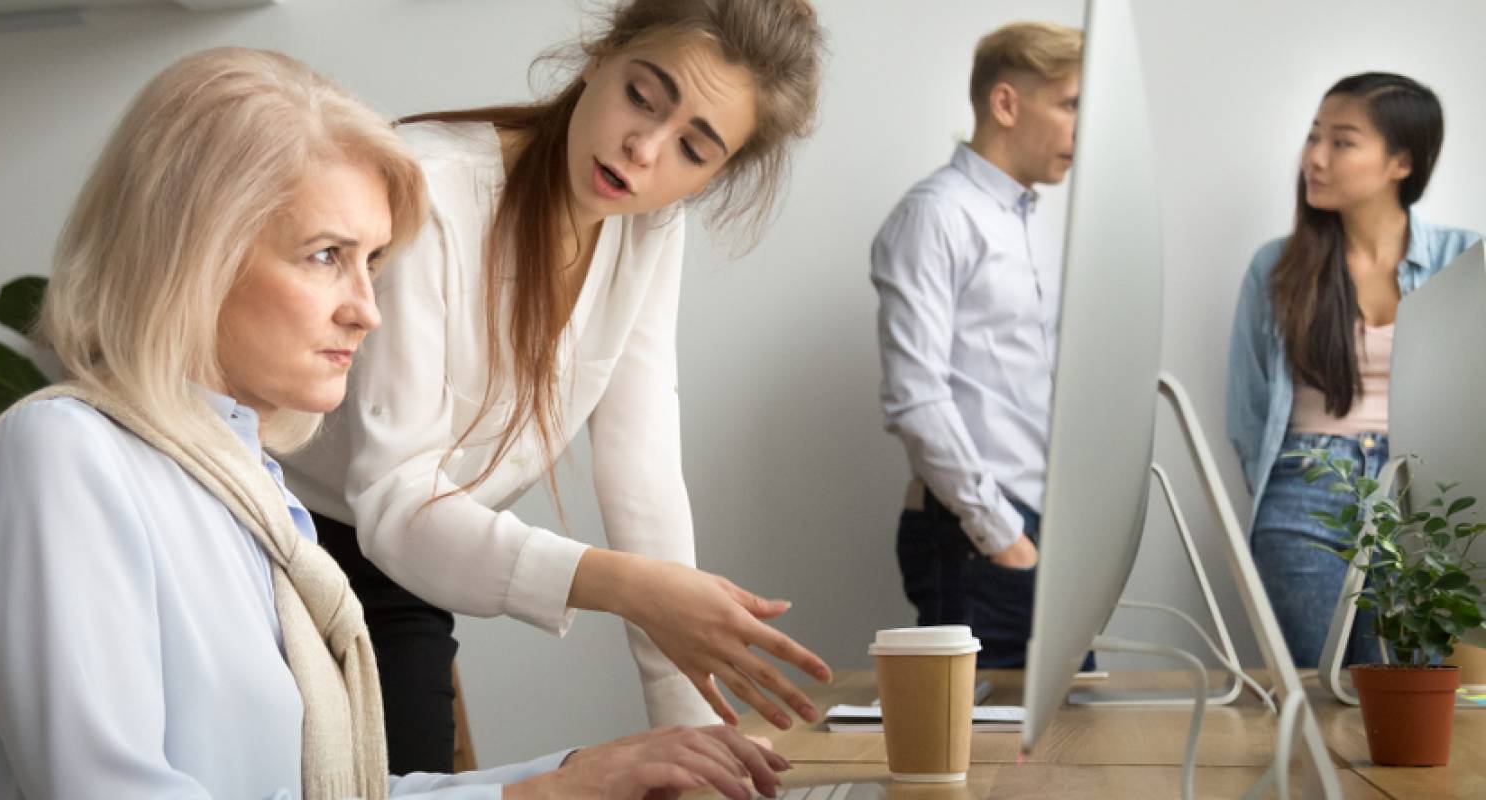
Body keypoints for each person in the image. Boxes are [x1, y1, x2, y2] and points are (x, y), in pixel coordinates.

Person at [0, 47, 790, 800]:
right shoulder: (61, 457)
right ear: (196, 250)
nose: (368, 310)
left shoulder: (251, 498)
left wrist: (568, 779)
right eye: (327, 256)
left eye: (372, 261)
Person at [281, 0, 831, 770]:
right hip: (280, 532)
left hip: (411, 562)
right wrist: (624, 584)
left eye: (693, 149)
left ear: (715, 174)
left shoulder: (649, 226)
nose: (645, 149)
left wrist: (696, 731)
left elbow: (641, 470)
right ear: (600, 56)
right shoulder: (432, 190)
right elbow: (394, 495)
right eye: (643, 96)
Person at [1227, 72, 1480, 668]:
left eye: (1342, 142)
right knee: (1321, 687)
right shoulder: (1277, 266)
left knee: (1415, 691)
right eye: (1314, 136)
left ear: (1401, 162)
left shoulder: (1463, 258)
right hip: (1305, 489)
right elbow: (1248, 409)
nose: (1314, 158)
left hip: (1423, 492)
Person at [869, 21, 1081, 668]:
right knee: (979, 734)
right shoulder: (935, 216)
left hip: (1036, 525)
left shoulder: (1032, 224)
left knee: (1070, 726)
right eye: (1070, 105)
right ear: (1006, 103)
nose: (1083, 129)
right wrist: (1001, 535)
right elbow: (916, 399)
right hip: (979, 533)